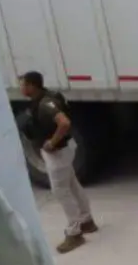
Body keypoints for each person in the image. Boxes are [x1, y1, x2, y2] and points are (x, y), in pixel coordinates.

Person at [18, 72, 97, 253]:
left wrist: (52, 143)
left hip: (58, 153)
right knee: (72, 185)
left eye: (23, 84)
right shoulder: (47, 97)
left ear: (32, 86)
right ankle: (87, 221)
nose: (21, 88)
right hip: (65, 150)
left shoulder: (45, 104)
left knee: (61, 191)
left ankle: (74, 232)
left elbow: (64, 123)